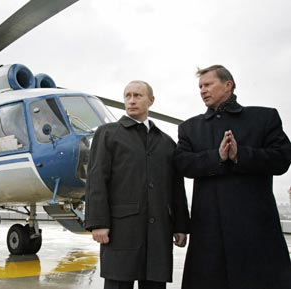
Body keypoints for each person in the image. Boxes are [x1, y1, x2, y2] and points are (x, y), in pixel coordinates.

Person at [174, 64, 291, 289]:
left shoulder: (264, 117)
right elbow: (182, 164)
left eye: (208, 84)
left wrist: (241, 155)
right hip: (209, 230)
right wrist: (216, 157)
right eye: (200, 86)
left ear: (228, 85)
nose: (202, 90)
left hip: (255, 228)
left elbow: (282, 159)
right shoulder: (189, 128)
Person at [85, 80, 190, 289]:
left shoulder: (166, 143)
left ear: (151, 100)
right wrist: (98, 222)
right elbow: (96, 180)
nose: (131, 101)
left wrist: (180, 226)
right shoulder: (107, 134)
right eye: (128, 96)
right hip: (120, 229)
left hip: (159, 230)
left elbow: (176, 188)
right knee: (118, 282)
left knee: (154, 283)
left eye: (138, 96)